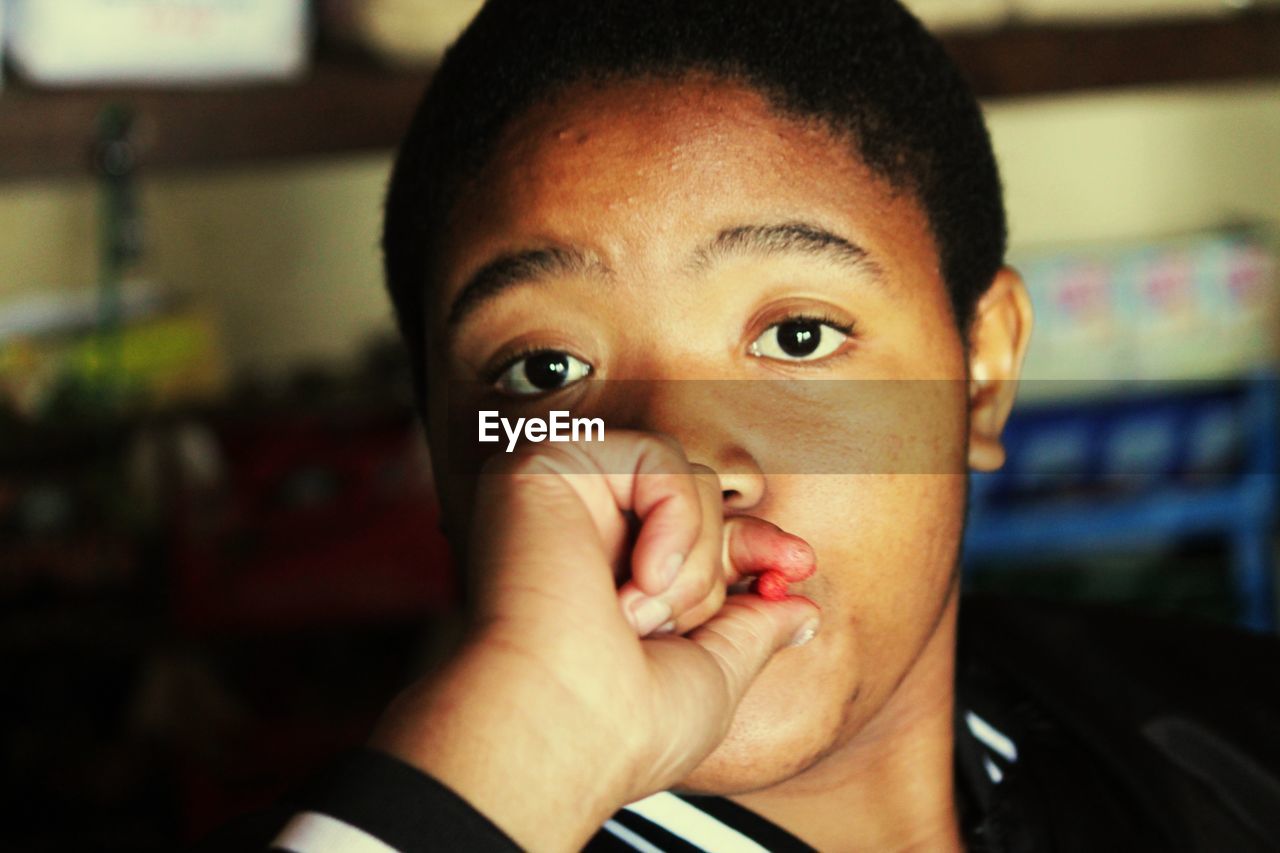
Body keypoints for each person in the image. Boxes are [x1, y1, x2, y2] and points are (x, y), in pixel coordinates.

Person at [202, 1, 1280, 850]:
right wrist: (523, 752)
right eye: (544, 370)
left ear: (980, 375)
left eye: (800, 339)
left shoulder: (1223, 732)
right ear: (445, 455)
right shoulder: (407, 824)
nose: (682, 464)